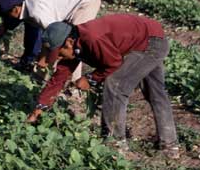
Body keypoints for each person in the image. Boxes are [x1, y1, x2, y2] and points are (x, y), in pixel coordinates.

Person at [27, 14, 180, 159]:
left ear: (68, 43)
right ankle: (170, 146)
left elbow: (113, 64)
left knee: (116, 85)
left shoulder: (92, 38)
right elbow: (58, 79)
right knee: (155, 93)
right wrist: (41, 106)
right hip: (149, 37)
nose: (59, 58)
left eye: (59, 53)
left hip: (150, 43)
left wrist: (90, 78)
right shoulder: (75, 42)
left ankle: (115, 145)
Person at [0, 0, 101, 80]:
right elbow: (47, 36)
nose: (8, 17)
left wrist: (44, 60)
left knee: (74, 43)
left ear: (15, 9)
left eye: (8, 14)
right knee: (62, 46)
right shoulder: (29, 2)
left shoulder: (36, 12)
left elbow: (55, 36)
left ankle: (72, 82)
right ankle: (54, 77)